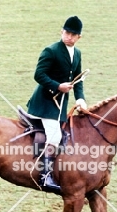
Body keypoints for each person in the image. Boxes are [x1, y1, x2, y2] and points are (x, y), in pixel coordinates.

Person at [26, 16, 87, 192]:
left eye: (73, 34)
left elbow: (78, 80)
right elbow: (39, 75)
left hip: (60, 106)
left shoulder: (77, 53)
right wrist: (57, 85)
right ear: (62, 31)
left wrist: (80, 99)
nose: (69, 36)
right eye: (67, 33)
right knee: (55, 136)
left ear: (79, 37)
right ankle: (45, 176)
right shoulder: (51, 50)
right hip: (44, 103)